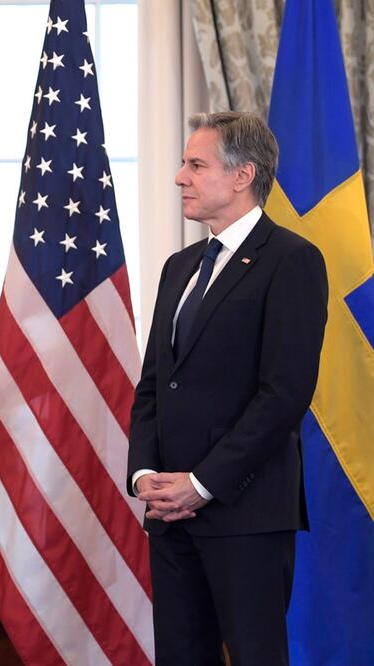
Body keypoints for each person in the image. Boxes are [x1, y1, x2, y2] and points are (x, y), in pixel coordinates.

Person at [127, 112, 327, 665]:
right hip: (170, 515)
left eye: (196, 164)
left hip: (246, 513)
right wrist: (146, 475)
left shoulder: (292, 261)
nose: (179, 177)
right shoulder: (180, 266)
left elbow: (284, 395)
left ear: (243, 176)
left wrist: (203, 483)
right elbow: (153, 386)